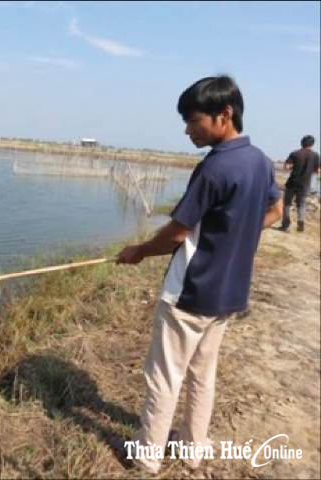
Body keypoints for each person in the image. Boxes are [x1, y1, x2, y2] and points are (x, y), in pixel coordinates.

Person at [116, 75, 283, 474]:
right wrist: (238, 233)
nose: (188, 130)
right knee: (202, 375)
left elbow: (177, 231)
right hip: (228, 295)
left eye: (193, 121)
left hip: (190, 294)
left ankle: (147, 456)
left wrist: (138, 251)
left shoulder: (214, 168)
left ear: (223, 115)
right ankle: (192, 449)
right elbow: (276, 212)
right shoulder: (260, 160)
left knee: (164, 376)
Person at [278, 135, 320, 232]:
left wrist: (293, 167)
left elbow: (287, 167)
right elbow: (317, 170)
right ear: (312, 144)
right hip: (305, 184)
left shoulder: (295, 154)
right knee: (301, 204)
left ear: (302, 143)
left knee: (287, 204)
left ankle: (285, 224)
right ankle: (300, 221)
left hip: (292, 182)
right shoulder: (315, 155)